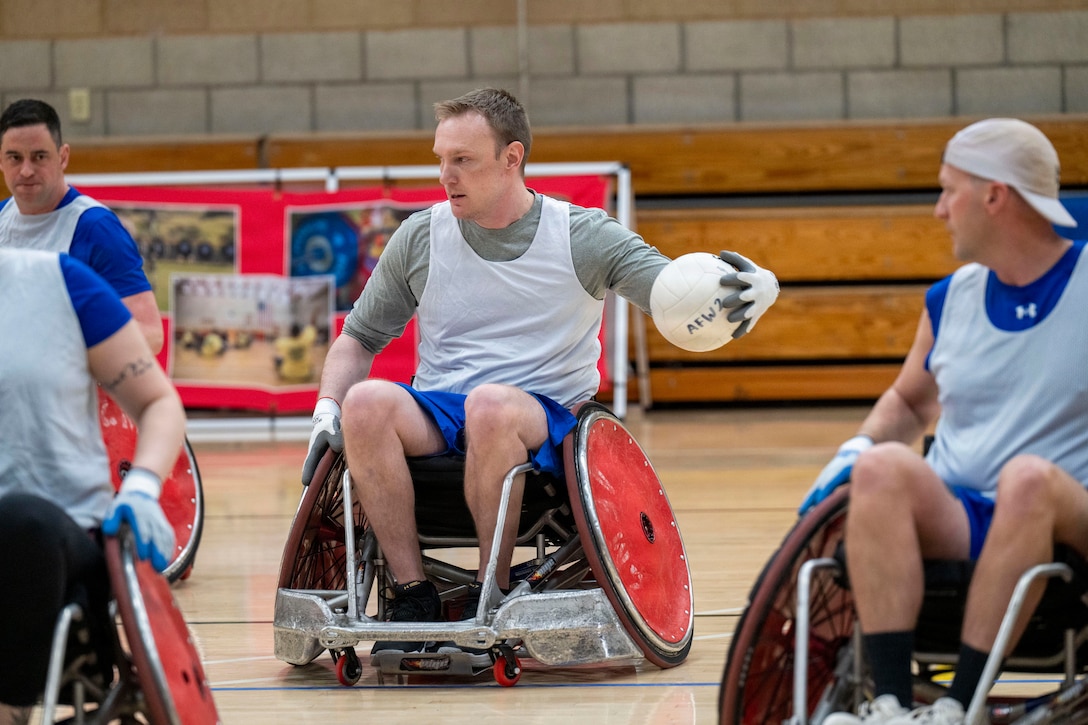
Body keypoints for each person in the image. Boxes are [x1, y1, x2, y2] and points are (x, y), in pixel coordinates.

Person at [300, 87, 778, 660]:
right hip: (444, 409)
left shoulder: (582, 235)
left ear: (512, 158)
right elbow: (358, 339)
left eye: (464, 161)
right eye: (441, 160)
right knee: (366, 404)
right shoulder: (421, 236)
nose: (447, 176)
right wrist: (328, 406)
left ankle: (489, 591)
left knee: (492, 407)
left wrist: (742, 290)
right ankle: (412, 595)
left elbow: (668, 289)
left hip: (547, 419)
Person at [799, 118, 1088, 725]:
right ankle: (892, 707)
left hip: (1068, 511)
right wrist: (852, 451)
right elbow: (909, 403)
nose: (938, 210)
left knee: (1027, 480)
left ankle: (960, 706)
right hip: (965, 516)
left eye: (947, 189)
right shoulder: (950, 297)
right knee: (881, 468)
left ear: (994, 195)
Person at [0, 248, 186, 725]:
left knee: (21, 519)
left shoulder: (58, 282)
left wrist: (142, 487)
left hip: (59, 538)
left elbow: (158, 403)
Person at [0, 98, 163, 353]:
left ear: (63, 157)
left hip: (67, 391)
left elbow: (151, 334)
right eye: (14, 158)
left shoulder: (96, 227)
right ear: (1, 161)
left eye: (39, 156)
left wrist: (65, 340)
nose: (26, 170)